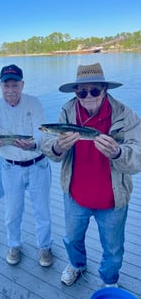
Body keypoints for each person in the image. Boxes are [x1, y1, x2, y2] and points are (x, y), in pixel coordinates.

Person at [40, 62, 141, 287]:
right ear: (76, 92)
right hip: (76, 195)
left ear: (105, 90)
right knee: (72, 239)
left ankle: (109, 280)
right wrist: (57, 146)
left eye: (95, 90)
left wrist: (118, 152)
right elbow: (47, 144)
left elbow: (138, 155)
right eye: (82, 92)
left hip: (113, 199)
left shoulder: (126, 115)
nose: (88, 97)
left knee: (113, 248)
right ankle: (77, 265)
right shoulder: (67, 111)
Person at [0, 64, 53, 267]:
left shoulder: (34, 103)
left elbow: (42, 134)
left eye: (15, 84)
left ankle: (45, 247)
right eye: (7, 85)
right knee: (12, 211)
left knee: (43, 210)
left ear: (22, 84)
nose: (11, 89)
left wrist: (33, 144)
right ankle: (14, 244)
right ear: (0, 86)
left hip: (38, 165)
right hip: (10, 167)